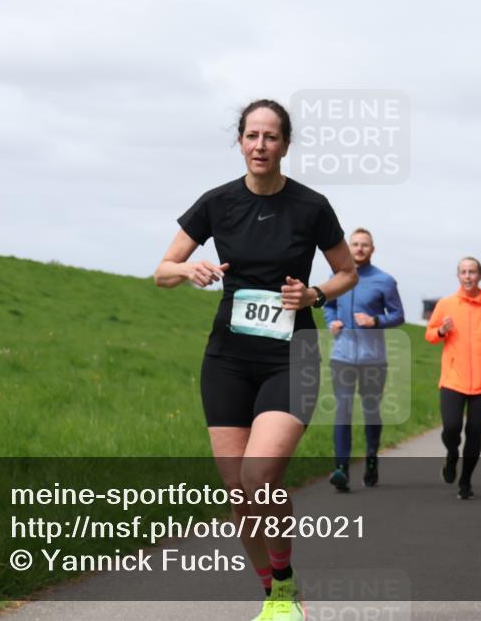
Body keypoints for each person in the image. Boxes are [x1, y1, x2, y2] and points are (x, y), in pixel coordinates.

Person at [154, 99, 358, 621]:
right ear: (241, 142)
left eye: (271, 137)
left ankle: (286, 584)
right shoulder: (217, 203)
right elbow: (162, 268)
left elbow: (346, 273)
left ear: (285, 145)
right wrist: (189, 271)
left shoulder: (311, 206)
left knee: (260, 475)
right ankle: (273, 593)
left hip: (294, 355)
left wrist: (313, 295)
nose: (260, 145)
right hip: (228, 357)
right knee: (238, 493)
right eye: (251, 136)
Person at [324, 228, 405, 492]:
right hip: (342, 356)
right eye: (355, 244)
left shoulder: (384, 281)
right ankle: (341, 468)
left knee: (371, 410)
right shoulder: (336, 277)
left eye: (365, 245)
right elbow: (328, 305)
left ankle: (371, 458)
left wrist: (376, 321)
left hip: (373, 359)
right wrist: (331, 322)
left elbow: (398, 315)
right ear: (348, 247)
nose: (359, 248)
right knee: (343, 411)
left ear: (372, 249)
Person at [426, 258, 481, 499]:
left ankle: (465, 482)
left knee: (474, 433)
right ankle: (452, 454)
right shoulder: (446, 304)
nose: (467, 276)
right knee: (452, 428)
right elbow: (430, 335)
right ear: (458, 275)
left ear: (480, 275)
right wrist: (442, 331)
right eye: (463, 272)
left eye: (472, 272)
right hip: (453, 379)